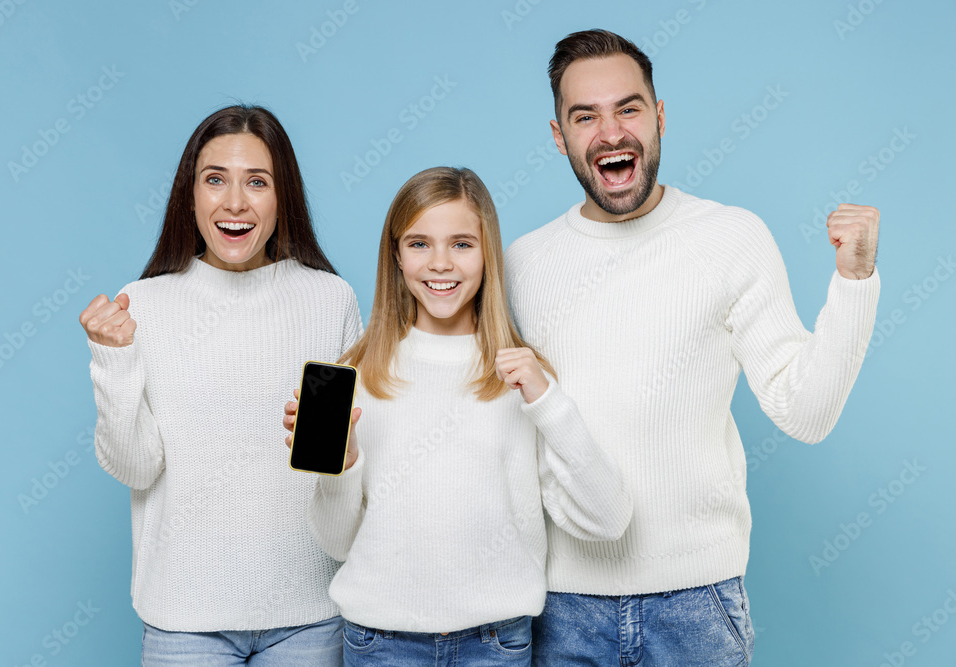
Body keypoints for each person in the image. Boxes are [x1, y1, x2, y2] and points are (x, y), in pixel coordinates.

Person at [504, 29, 881, 666]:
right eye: (584, 116)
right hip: (562, 608)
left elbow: (806, 413)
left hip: (696, 607)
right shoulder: (524, 263)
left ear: (659, 116)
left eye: (628, 108)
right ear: (558, 135)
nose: (610, 132)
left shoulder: (730, 238)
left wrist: (854, 281)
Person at [284, 166, 631, 666]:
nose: (440, 263)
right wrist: (345, 461)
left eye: (462, 244)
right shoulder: (349, 376)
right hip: (380, 644)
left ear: (488, 252)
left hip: (496, 644)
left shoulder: (525, 379)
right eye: (420, 243)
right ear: (396, 256)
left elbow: (608, 518)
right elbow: (335, 544)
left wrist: (547, 400)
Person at [79, 105, 361, 666]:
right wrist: (111, 363)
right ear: (190, 195)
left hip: (307, 619)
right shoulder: (145, 305)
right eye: (215, 180)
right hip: (183, 620)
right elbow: (135, 467)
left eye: (258, 182)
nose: (235, 203)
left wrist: (331, 448)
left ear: (284, 199)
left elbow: (334, 467)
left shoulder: (328, 300)